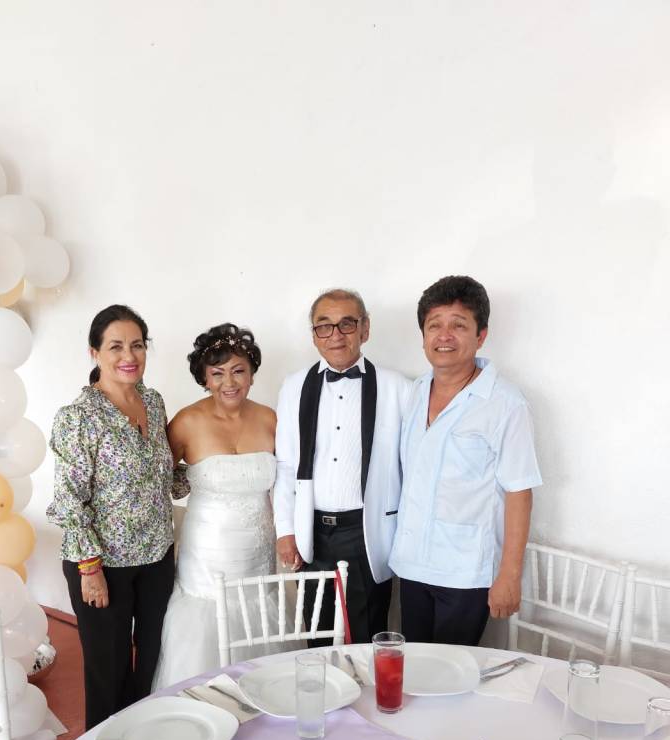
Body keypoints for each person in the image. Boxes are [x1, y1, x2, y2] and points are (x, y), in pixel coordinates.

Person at [47, 304, 185, 728]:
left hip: (156, 555)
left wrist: (213, 469)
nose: (129, 356)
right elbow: (69, 500)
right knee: (108, 669)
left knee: (152, 660)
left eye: (137, 345)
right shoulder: (78, 418)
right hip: (102, 564)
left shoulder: (153, 402)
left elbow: (163, 474)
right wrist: (90, 569)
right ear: (95, 353)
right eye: (116, 346)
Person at [390, 275, 542, 645]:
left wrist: (509, 575)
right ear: (423, 336)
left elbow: (520, 491)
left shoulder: (505, 403)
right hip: (412, 564)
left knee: (452, 672)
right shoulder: (415, 393)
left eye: (458, 325)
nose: (444, 336)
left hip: (465, 572)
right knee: (414, 667)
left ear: (481, 335)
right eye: (434, 325)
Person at [152, 323, 293, 689]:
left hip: (258, 552)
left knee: (260, 630)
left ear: (252, 374)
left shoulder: (271, 418)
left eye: (238, 371)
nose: (229, 382)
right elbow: (155, 479)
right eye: (217, 373)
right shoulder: (186, 422)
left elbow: (290, 482)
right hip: (207, 553)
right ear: (205, 377)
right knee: (205, 634)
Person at [274, 288, 414, 645]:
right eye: (324, 326)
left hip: (367, 530)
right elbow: (286, 464)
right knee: (318, 634)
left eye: (347, 324)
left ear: (365, 329)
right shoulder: (294, 386)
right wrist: (285, 530)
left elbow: (411, 468)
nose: (335, 335)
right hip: (312, 530)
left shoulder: (398, 387)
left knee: (368, 636)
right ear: (314, 335)